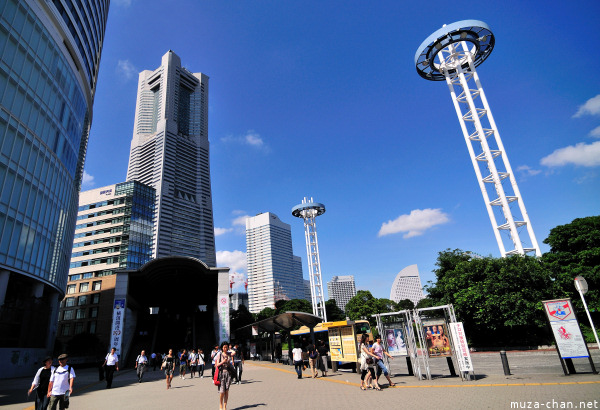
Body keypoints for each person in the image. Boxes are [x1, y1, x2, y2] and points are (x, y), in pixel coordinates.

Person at [215, 342, 234, 410]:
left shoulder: (229, 354)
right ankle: (220, 405)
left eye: (226, 347)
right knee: (222, 391)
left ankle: (225, 407)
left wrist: (230, 349)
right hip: (222, 374)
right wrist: (223, 361)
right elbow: (217, 365)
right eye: (224, 347)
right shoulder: (219, 355)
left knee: (226, 391)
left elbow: (234, 352)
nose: (225, 348)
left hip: (228, 374)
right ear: (222, 348)